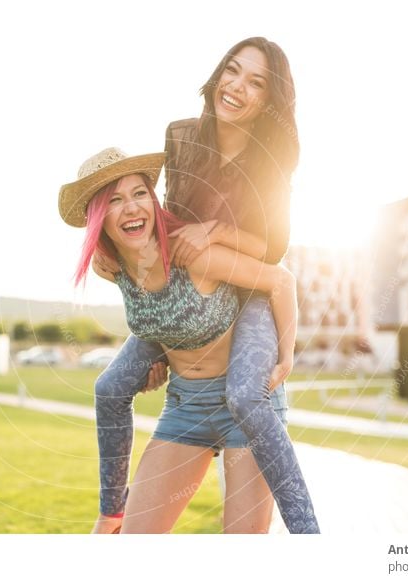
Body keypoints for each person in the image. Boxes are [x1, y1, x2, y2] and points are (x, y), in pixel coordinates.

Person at [89, 37, 312, 533]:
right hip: (191, 297)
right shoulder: (182, 135)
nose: (237, 87)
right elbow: (168, 217)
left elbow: (273, 251)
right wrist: (165, 345)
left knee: (244, 394)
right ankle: (110, 512)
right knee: (110, 386)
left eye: (256, 82)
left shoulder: (270, 161)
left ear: (270, 102)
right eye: (232, 71)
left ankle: (311, 539)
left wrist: (214, 234)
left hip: (248, 290)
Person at [59, 147, 319, 533]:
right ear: (99, 218)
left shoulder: (193, 254)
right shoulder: (110, 268)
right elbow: (159, 319)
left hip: (244, 408)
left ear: (153, 198)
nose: (131, 208)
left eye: (139, 193)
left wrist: (285, 356)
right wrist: (154, 358)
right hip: (185, 409)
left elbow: (280, 281)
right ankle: (109, 513)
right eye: (114, 200)